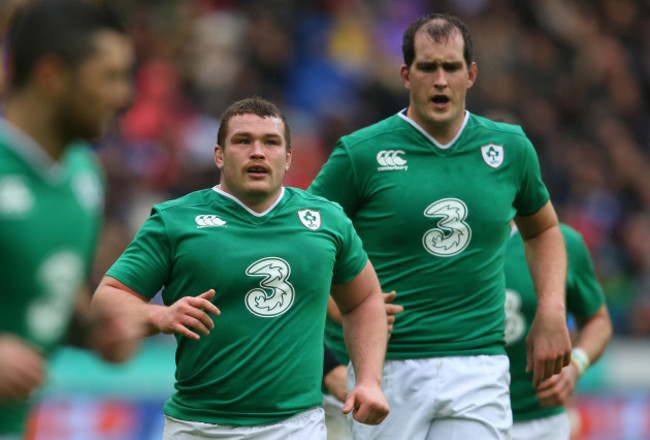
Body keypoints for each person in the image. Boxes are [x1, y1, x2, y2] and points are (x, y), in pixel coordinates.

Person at [308, 12, 572, 440]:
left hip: (479, 362)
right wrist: (342, 308)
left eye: (451, 67)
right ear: (405, 75)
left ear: (471, 75)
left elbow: (542, 230)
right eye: (427, 67)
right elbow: (306, 237)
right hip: (389, 366)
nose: (440, 79)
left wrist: (552, 310)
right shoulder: (360, 154)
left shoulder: (510, 148)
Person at [90, 96, 390, 439]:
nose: (258, 152)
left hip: (295, 427)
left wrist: (368, 380)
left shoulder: (326, 220)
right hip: (198, 428)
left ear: (288, 157)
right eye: (243, 141)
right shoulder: (175, 221)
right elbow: (106, 301)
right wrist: (159, 316)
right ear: (219, 154)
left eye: (271, 143)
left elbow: (364, 300)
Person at [0, 0, 134, 437]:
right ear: (51, 76)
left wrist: (97, 327)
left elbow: (48, 289)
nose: (123, 95)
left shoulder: (84, 178)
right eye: (108, 76)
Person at [505, 223, 612, 440]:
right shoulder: (445, 240)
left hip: (540, 421)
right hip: (459, 412)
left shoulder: (563, 242)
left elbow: (597, 321)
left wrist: (576, 364)